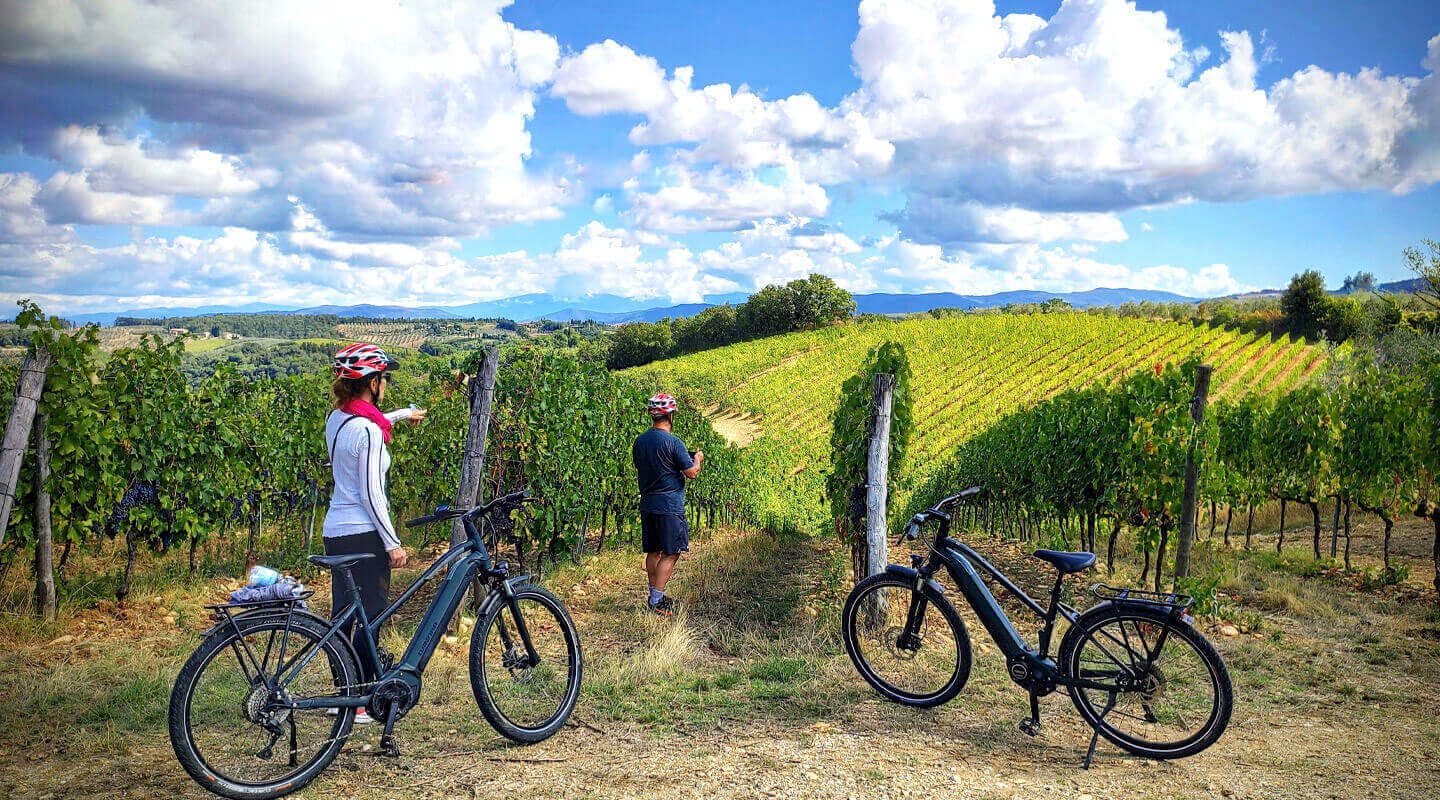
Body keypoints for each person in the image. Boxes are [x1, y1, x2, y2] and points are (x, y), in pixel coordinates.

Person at [322, 343, 426, 722]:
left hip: (336, 531)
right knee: (371, 618)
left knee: (342, 617)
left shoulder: (339, 419)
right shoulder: (366, 432)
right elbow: (371, 492)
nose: (387, 384)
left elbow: (369, 422)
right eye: (384, 378)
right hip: (364, 534)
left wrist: (399, 416)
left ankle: (342, 694)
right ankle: (364, 701)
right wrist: (392, 543)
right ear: (372, 382)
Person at [632, 393, 702, 616]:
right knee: (671, 553)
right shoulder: (674, 442)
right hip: (669, 506)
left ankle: (654, 595)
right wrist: (697, 458)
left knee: (653, 551)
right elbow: (691, 472)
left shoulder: (640, 441)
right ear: (671, 415)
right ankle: (656, 601)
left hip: (648, 503)